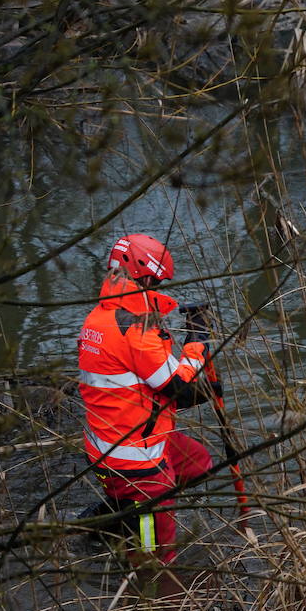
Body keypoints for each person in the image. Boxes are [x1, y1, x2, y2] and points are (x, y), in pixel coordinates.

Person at [77, 233, 217, 568]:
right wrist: (197, 343)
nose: (157, 288)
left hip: (122, 440)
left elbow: (146, 380)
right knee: (157, 559)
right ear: (140, 276)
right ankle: (153, 601)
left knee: (197, 463)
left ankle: (113, 514)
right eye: (154, 281)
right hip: (138, 462)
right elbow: (179, 387)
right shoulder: (135, 331)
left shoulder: (100, 316)